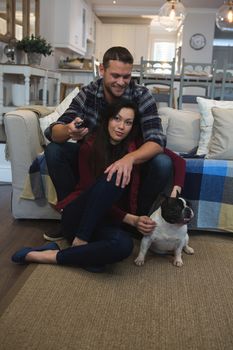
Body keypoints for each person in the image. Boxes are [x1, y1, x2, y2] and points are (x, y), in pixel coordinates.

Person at [12, 99, 185, 273]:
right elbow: (93, 198)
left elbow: (178, 161)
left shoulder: (137, 147)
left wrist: (175, 191)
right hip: (79, 216)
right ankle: (81, 241)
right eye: (116, 119)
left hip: (106, 221)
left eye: (128, 122)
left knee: (123, 246)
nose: (121, 126)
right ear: (108, 120)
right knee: (118, 170)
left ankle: (50, 254)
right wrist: (131, 219)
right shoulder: (90, 145)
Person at [43, 46, 172, 241]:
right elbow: (53, 131)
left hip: (130, 160)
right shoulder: (87, 94)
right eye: (115, 75)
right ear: (102, 70)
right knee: (54, 150)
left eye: (126, 76)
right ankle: (71, 215)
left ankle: (137, 222)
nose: (121, 82)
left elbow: (157, 141)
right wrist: (69, 129)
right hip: (93, 159)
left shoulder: (141, 95)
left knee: (163, 162)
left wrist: (128, 159)